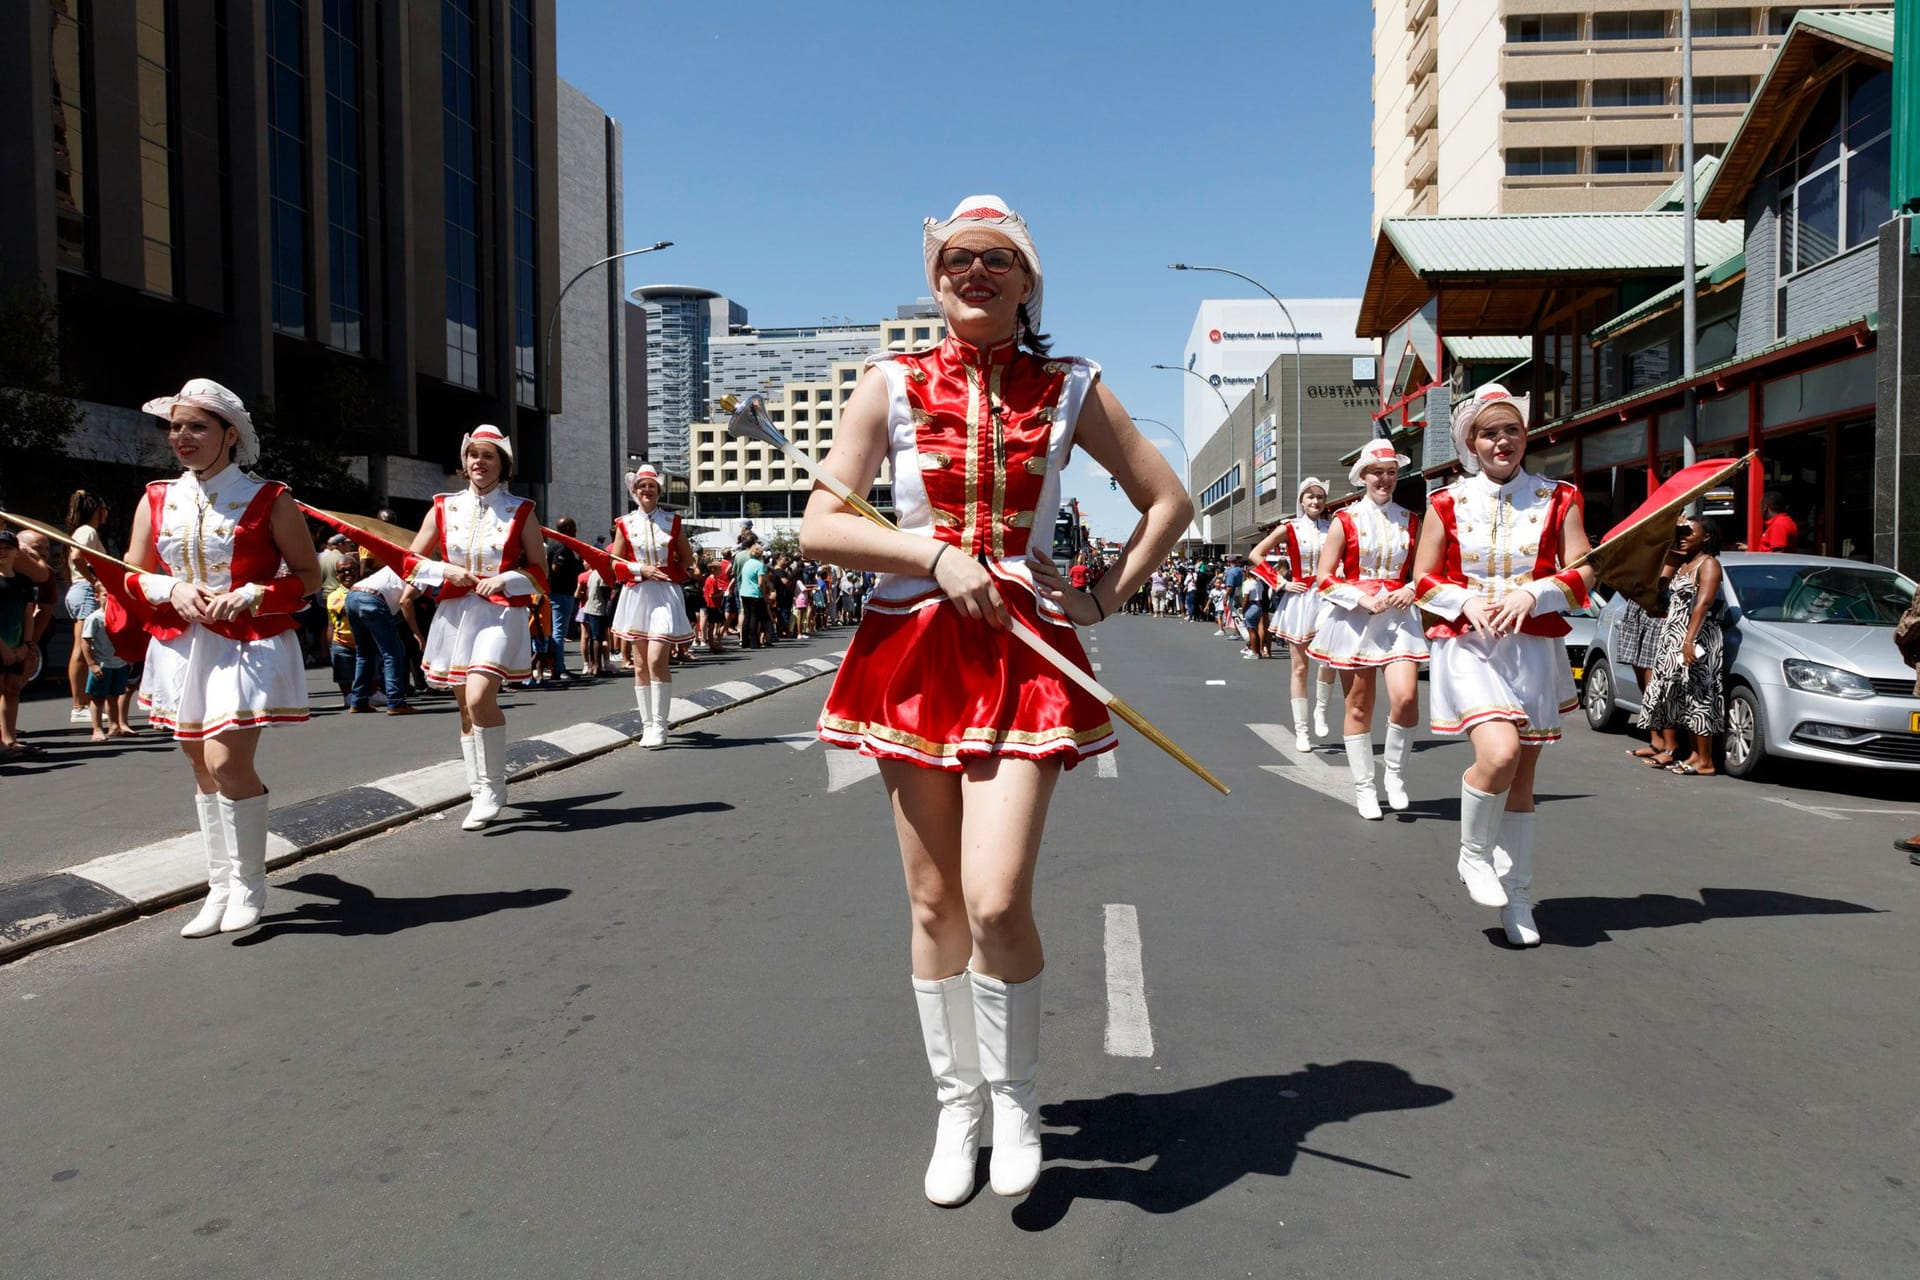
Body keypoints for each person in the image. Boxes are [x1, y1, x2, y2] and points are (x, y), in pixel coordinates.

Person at [802, 196, 1190, 1207]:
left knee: (995, 895)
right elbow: (820, 525)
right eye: (957, 258)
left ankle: (1015, 1097)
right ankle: (956, 1105)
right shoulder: (889, 383)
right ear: (936, 277)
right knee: (933, 901)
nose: (974, 271)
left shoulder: (1071, 386)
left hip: (1024, 649)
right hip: (913, 647)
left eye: (997, 259)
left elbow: (1169, 501)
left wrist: (1104, 594)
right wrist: (931, 552)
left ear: (1027, 280)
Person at [126, 378, 322, 936]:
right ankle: (219, 885)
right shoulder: (157, 496)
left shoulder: (270, 499)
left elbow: (308, 578)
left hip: (245, 644)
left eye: (196, 426)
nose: (181, 437)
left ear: (229, 435)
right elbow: (133, 572)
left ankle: (250, 883)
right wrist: (171, 591)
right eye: (175, 427)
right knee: (196, 762)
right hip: (181, 643)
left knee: (224, 762)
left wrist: (256, 593)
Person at [1412, 384, 1596, 946]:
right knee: (1500, 753)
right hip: (1469, 645)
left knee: (1523, 780)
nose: (1502, 441)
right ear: (1472, 440)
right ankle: (1472, 854)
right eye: (1490, 432)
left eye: (1511, 429)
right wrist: (1463, 600)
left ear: (1525, 435)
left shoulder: (1558, 497)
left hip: (1532, 647)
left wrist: (1535, 594)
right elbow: (1420, 580)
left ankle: (1519, 899)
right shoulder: (1445, 503)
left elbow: (1585, 573)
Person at [406, 424, 549, 830]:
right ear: (464, 462)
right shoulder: (443, 506)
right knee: (464, 706)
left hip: (499, 613)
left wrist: (505, 579)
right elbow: (411, 560)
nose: (478, 462)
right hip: (455, 614)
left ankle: (492, 788)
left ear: (502, 464)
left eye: (488, 456)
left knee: (481, 695)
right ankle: (478, 788)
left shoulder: (521, 509)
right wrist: (445, 569)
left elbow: (540, 571)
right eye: (473, 455)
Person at [1310, 438, 1428, 819]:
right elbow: (1324, 578)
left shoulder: (1412, 520)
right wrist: (1360, 599)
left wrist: (1410, 589)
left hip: (1398, 618)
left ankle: (1393, 774)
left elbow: (1426, 573)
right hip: (1356, 617)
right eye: (1378, 472)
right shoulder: (1345, 520)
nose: (1386, 479)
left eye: (1392, 472)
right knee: (1359, 704)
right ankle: (1364, 787)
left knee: (1406, 698)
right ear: (1363, 476)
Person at [1253, 477, 1341, 752]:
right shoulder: (1289, 527)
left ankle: (1321, 711)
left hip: (1329, 596)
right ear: (1301, 500)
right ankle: (1301, 730)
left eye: (1320, 497)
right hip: (1301, 598)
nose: (1315, 502)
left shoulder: (1335, 526)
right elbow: (1257, 554)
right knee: (1300, 667)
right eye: (1310, 497)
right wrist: (1281, 583)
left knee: (1329, 660)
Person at [608, 465, 694, 747]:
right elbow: (614, 562)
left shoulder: (673, 521)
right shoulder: (624, 523)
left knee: (658, 658)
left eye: (652, 487)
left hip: (665, 594)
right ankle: (647, 724)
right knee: (641, 663)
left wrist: (678, 571)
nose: (647, 491)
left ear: (659, 491)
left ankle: (660, 724)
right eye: (642, 486)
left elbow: (686, 558)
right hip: (637, 593)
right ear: (635, 490)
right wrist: (640, 569)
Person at [1637, 515, 1725, 777]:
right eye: (1680, 532)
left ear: (1706, 536)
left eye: (1689, 532)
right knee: (1680, 697)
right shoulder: (1685, 563)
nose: (1683, 536)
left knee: (1699, 696)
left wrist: (1688, 640)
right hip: (1674, 637)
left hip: (1695, 637)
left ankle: (1706, 761)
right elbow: (1660, 593)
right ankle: (1694, 756)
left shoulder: (1709, 564)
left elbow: (1703, 604)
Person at [0, 528, 53, 757]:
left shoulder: (23, 583)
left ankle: (10, 739)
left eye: (7, 549)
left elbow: (28, 614)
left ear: (16, 554)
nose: (3, 553)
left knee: (12, 690)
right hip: (1, 646)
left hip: (17, 645)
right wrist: (3, 648)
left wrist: (27, 645)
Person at [345, 561, 421, 714]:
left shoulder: (404, 563)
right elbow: (405, 602)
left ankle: (359, 700)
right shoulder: (422, 573)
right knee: (393, 653)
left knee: (364, 654)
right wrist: (417, 633)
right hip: (373, 600)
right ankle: (395, 702)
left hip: (353, 596)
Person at [64, 491, 112, 724]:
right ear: (96, 509)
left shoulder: (85, 532)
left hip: (82, 590)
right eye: (105, 507)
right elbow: (76, 556)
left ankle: (81, 703)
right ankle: (79, 705)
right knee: (83, 647)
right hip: (85, 591)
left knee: (84, 646)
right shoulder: (87, 531)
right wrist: (95, 581)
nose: (107, 512)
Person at [79, 596, 134, 740]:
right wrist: (92, 664)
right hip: (102, 664)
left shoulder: (121, 615)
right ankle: (97, 730)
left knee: (114, 697)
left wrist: (128, 658)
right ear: (97, 597)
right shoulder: (95, 618)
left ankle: (114, 725)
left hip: (119, 663)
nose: (109, 598)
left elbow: (126, 638)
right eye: (105, 594)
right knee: (98, 698)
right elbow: (85, 642)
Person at [544, 516, 585, 681]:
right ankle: (558, 667)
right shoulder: (561, 548)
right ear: (567, 529)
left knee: (557, 631)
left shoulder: (557, 545)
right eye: (573, 527)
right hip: (561, 594)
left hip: (558, 593)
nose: (575, 531)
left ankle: (556, 666)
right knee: (559, 632)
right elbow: (556, 568)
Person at [326, 557, 359, 708]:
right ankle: (348, 696)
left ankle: (371, 693)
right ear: (337, 575)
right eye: (342, 571)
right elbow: (332, 622)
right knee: (343, 673)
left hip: (364, 640)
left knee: (372, 671)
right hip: (342, 641)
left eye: (351, 569)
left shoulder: (368, 589)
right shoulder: (334, 596)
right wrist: (331, 645)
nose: (347, 573)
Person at [737, 542, 767, 648]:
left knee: (747, 616)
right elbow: (760, 583)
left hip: (744, 592)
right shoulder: (760, 565)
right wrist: (764, 595)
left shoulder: (747, 563)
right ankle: (754, 642)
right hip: (755, 593)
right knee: (754, 617)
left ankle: (744, 641)